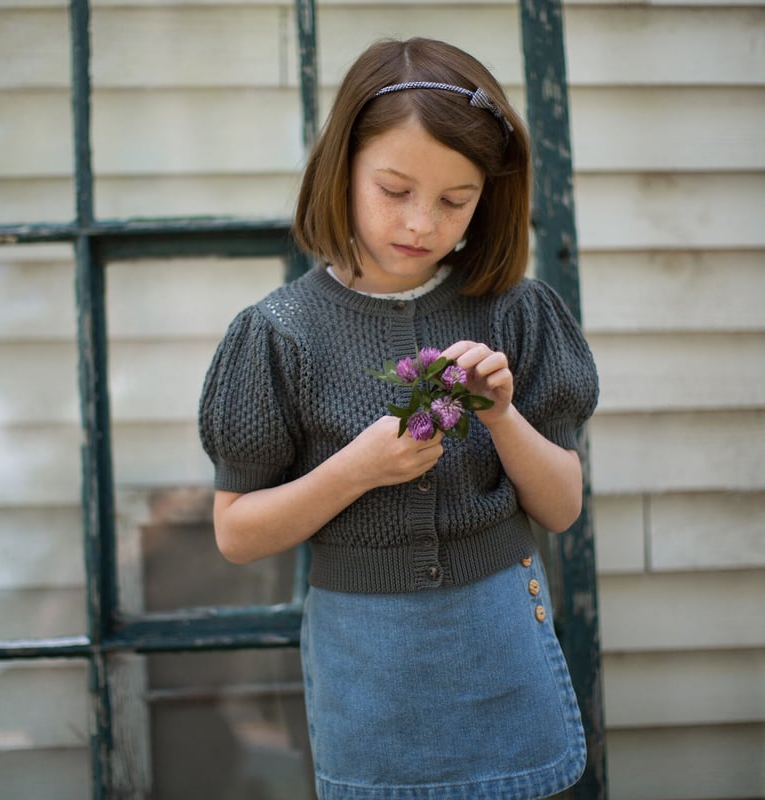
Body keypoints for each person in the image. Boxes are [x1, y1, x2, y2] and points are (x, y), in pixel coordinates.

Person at [199, 36, 599, 800]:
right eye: (394, 189)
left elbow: (561, 505)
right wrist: (360, 469)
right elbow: (236, 531)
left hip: (500, 634)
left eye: (456, 200)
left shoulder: (518, 312)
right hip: (367, 654)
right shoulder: (279, 335)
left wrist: (504, 416)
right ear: (342, 166)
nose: (421, 222)